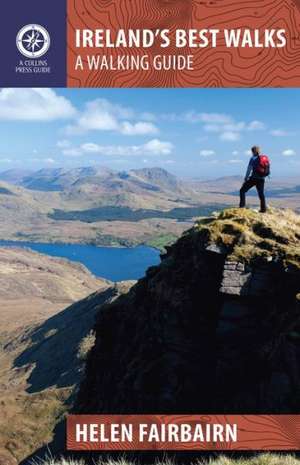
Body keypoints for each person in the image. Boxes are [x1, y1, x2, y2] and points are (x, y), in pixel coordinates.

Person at [239, 146, 270, 213]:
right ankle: (263, 209)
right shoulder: (264, 158)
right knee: (261, 194)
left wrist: (246, 178)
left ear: (252, 151)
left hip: (253, 178)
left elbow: (249, 169)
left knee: (242, 191)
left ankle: (242, 207)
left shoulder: (253, 159)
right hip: (262, 179)